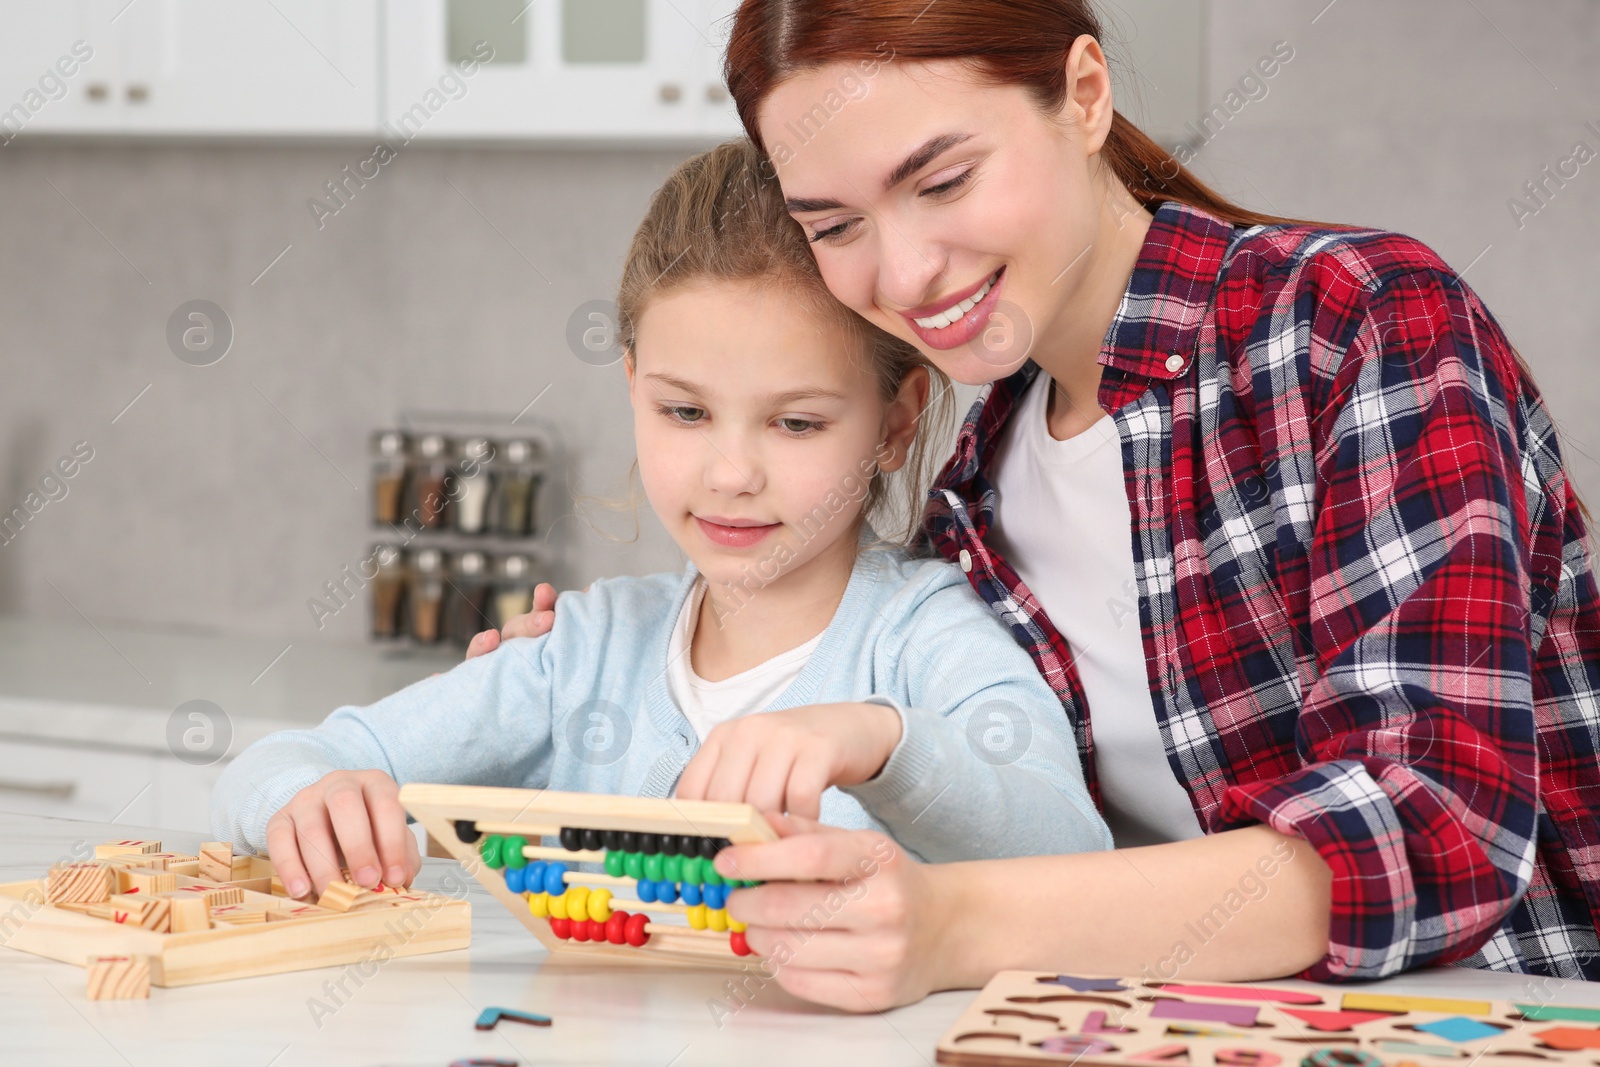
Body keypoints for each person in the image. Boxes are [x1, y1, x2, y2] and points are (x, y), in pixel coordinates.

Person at [478, 0, 1600, 1012]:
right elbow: (946, 787)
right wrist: (593, 690)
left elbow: (1431, 828)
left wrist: (956, 925)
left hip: (1487, 1023)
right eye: (833, 225)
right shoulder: (972, 494)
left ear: (1083, 94)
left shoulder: (1349, 323)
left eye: (943, 180)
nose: (906, 271)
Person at [208, 139, 1112, 903]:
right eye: (685, 413)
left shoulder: (925, 642)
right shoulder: (585, 650)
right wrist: (309, 795)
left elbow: (1073, 856)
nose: (730, 474)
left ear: (898, 420)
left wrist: (880, 742)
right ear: (633, 385)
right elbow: (293, 757)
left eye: (796, 422)